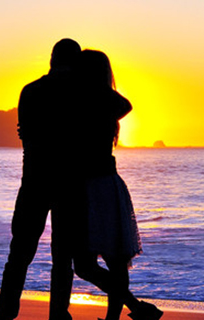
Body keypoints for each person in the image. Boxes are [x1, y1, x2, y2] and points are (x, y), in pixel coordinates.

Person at [64, 49, 162, 320]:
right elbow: (124, 104)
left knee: (92, 263)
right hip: (103, 185)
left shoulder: (82, 100)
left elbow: (125, 104)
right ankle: (132, 309)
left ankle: (122, 315)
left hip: (90, 188)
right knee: (106, 262)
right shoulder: (101, 102)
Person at [0, 38, 82, 320]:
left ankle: (6, 313)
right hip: (68, 182)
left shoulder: (30, 91)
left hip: (33, 178)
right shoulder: (81, 92)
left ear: (51, 59)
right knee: (62, 256)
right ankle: (58, 314)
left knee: (19, 252)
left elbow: (26, 135)